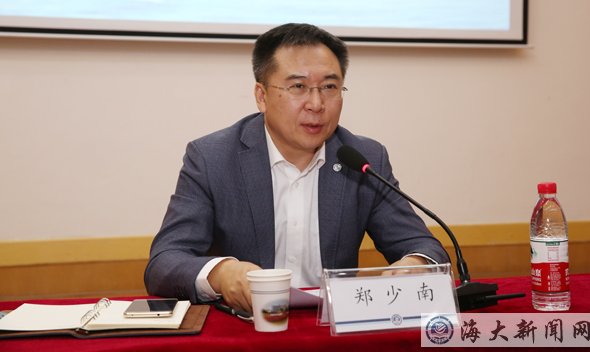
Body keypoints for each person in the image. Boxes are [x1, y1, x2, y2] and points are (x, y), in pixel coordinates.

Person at [144, 23, 449, 313]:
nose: (316, 103)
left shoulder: (364, 158)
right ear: (262, 96)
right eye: (298, 86)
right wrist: (221, 273)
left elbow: (423, 246)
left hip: (332, 329)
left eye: (329, 87)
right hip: (248, 328)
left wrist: (415, 265)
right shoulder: (213, 158)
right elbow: (164, 262)